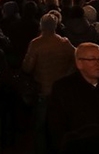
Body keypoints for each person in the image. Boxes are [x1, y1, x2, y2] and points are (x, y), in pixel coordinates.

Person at [47, 43, 99, 153]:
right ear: (79, 63)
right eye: (92, 59)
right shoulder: (63, 87)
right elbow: (56, 126)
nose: (98, 64)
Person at [22, 12, 75, 154]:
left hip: (43, 90)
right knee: (60, 125)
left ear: (41, 26)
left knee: (40, 127)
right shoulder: (64, 43)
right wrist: (67, 74)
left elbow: (27, 67)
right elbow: (76, 59)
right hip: (61, 91)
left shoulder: (36, 43)